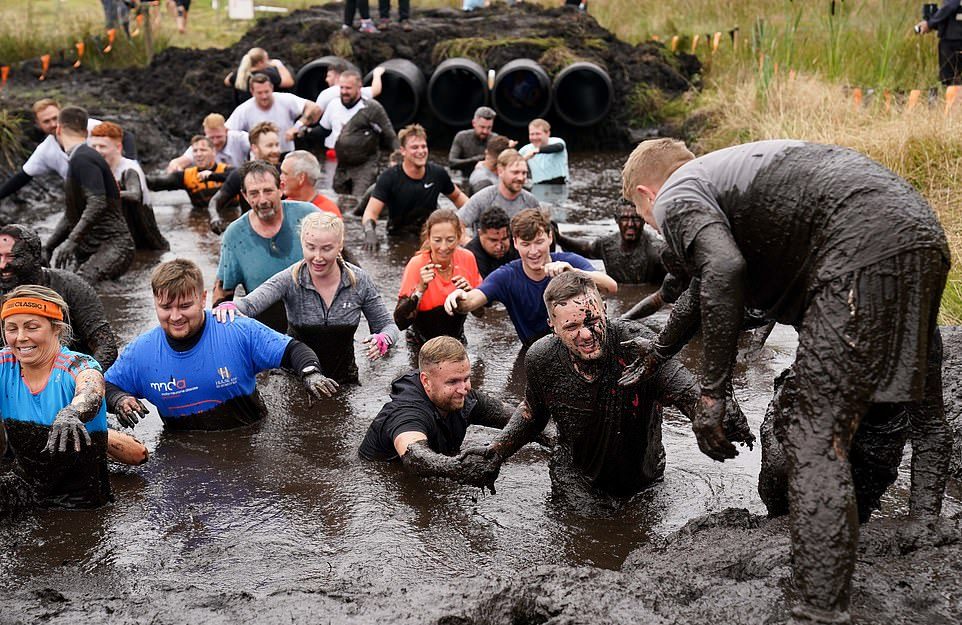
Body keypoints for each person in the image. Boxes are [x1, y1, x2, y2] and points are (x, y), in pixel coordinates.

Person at [618, 138, 951, 625]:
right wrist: (660, 354)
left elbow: (722, 272)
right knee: (925, 408)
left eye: (645, 217)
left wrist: (711, 393)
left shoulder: (677, 192)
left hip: (858, 246)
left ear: (647, 194)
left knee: (814, 436)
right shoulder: (727, 182)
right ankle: (924, 528)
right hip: (919, 235)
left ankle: (819, 609)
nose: (657, 229)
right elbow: (699, 293)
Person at [456, 272, 752, 503]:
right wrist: (497, 451)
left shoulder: (638, 347)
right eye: (571, 327)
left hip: (643, 481)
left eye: (593, 321)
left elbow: (687, 392)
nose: (586, 335)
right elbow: (533, 413)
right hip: (575, 479)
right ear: (552, 326)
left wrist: (717, 413)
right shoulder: (541, 357)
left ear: (605, 310)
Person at [103, 259, 338, 432]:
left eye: (185, 306)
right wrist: (119, 400)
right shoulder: (141, 353)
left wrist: (311, 374)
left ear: (202, 298)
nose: (175, 317)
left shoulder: (235, 330)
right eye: (166, 308)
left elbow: (293, 350)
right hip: (183, 450)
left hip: (248, 439)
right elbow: (104, 387)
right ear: (155, 302)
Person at [213, 212, 397, 385]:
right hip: (295, 378)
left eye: (326, 249)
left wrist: (384, 338)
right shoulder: (290, 278)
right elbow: (250, 304)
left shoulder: (359, 281)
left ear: (340, 245)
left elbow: (388, 326)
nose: (317, 257)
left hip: (344, 379)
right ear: (302, 244)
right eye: (311, 247)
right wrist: (228, 306)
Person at [0, 286, 111, 515]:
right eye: (12, 328)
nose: (21, 338)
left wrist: (72, 412)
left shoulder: (77, 364)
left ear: (56, 329)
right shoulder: (4, 364)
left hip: (81, 505)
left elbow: (91, 388)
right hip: (25, 491)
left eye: (32, 327)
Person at [445, 208, 616, 346]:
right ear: (515, 243)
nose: (533, 251)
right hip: (535, 350)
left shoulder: (569, 261)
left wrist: (575, 273)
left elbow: (611, 287)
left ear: (550, 237)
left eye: (539, 242)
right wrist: (458, 296)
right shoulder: (506, 276)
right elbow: (471, 301)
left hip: (579, 343)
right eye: (526, 244)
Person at [357, 336, 511, 489]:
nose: (464, 389)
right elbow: (416, 458)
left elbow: (520, 418)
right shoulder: (406, 413)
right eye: (453, 381)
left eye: (466, 378)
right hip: (382, 484)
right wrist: (463, 467)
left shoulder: (462, 396)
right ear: (426, 381)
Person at [214, 160, 320, 332]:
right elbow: (223, 292)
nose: (262, 200)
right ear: (245, 195)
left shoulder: (309, 215)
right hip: (266, 328)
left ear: (281, 188)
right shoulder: (234, 235)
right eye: (254, 193)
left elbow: (342, 261)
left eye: (268, 191)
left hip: (314, 322)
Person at [0, 224, 119, 369]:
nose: (2, 265)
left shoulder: (72, 287)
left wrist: (84, 379)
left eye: (12, 256)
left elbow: (106, 346)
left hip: (71, 373)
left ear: (36, 256)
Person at [45, 106, 135, 284]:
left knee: (81, 286)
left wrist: (70, 242)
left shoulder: (83, 158)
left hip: (113, 244)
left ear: (59, 129)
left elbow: (97, 203)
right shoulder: (80, 157)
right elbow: (71, 213)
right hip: (96, 246)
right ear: (86, 132)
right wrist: (50, 246)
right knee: (74, 288)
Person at [0, 99, 135, 202]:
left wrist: (130, 166)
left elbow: (127, 136)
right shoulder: (45, 151)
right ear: (38, 124)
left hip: (118, 188)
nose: (53, 124)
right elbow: (22, 177)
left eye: (55, 118)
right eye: (46, 121)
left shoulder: (90, 127)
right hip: (86, 198)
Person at [362, 125, 468, 247]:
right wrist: (370, 233)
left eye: (424, 146)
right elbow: (371, 212)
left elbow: (457, 196)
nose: (421, 151)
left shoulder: (438, 173)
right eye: (414, 147)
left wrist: (472, 216)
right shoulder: (389, 177)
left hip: (429, 236)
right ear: (403, 150)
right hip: (398, 237)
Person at [395, 209, 482, 351]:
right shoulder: (417, 264)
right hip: (421, 343)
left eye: (450, 240)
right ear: (428, 238)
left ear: (459, 236)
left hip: (456, 341)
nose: (443, 247)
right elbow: (401, 322)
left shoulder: (467, 258)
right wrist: (420, 289)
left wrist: (470, 294)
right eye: (437, 240)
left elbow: (480, 313)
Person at [315, 69, 398, 197]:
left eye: (348, 88)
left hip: (365, 164)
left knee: (359, 199)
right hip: (342, 164)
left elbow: (390, 135)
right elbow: (323, 131)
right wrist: (303, 132)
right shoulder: (333, 104)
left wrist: (398, 157)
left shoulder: (372, 108)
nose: (344, 92)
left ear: (359, 88)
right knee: (340, 199)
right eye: (341, 88)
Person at [88, 122, 169, 251]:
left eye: (102, 147)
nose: (97, 151)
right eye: (94, 147)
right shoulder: (96, 169)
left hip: (143, 238)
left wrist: (106, 193)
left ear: (118, 147)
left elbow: (134, 195)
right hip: (116, 235)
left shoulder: (130, 169)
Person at [554, 204, 666, 284]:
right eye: (625, 219)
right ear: (616, 220)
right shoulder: (606, 244)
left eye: (636, 218)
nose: (630, 224)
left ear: (644, 219)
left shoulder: (657, 250)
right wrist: (560, 239)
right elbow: (585, 249)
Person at [207, 122, 282, 232]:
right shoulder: (240, 174)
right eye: (270, 146)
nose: (276, 150)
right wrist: (215, 218)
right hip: (250, 232)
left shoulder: (285, 172)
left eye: (277, 145)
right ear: (254, 148)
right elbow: (215, 202)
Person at [225, 73, 321, 154]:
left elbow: (315, 108)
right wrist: (247, 142)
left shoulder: (285, 99)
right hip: (260, 158)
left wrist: (297, 126)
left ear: (272, 88)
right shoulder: (244, 109)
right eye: (259, 93)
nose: (264, 96)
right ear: (252, 92)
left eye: (267, 92)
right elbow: (227, 131)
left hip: (285, 153)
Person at [458, 148, 540, 230]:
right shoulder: (483, 198)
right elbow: (456, 224)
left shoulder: (531, 201)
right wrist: (468, 241)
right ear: (500, 171)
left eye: (524, 173)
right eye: (515, 172)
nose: (521, 178)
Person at [149, 136, 234, 211]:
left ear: (213, 152)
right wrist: (140, 177)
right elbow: (158, 183)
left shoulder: (226, 170)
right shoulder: (187, 175)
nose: (199, 154)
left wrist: (212, 176)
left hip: (230, 212)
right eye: (195, 151)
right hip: (200, 215)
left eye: (203, 150)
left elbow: (239, 175)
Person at [166, 113, 251, 172]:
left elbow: (260, 147)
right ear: (205, 134)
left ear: (226, 131)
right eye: (211, 138)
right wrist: (175, 166)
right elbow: (181, 161)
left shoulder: (240, 138)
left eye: (219, 137)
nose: (215, 142)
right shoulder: (202, 144)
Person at [280, 150, 341, 217]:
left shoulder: (327, 213)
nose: (280, 177)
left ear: (301, 178)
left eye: (285, 174)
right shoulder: (283, 206)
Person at [464, 206, 519, 278]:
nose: (499, 246)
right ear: (480, 233)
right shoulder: (470, 256)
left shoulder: (518, 244)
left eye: (504, 239)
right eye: (493, 240)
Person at [915, 1, 962, 85]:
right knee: (952, 79)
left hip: (953, 40)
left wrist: (929, 24)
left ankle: (952, 95)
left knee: (949, 79)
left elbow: (950, 6)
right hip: (953, 37)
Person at [224, 47, 295, 102]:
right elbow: (289, 82)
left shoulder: (239, 75)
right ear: (260, 62)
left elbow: (227, 81)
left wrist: (242, 69)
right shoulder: (267, 75)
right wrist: (279, 65)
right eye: (267, 60)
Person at [447, 106, 501, 178]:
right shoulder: (462, 137)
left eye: (489, 128)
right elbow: (451, 162)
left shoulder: (495, 140)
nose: (485, 131)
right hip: (464, 176)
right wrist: (476, 159)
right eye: (482, 127)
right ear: (474, 123)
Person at [314, 62, 383, 115]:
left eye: (329, 76)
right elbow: (376, 90)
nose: (326, 79)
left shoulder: (326, 94)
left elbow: (315, 113)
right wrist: (377, 74)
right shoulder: (356, 91)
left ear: (337, 76)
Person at [519, 118, 568, 185]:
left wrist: (537, 151)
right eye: (532, 134)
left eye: (538, 134)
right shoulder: (525, 149)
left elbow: (559, 147)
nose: (535, 137)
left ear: (548, 133)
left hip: (559, 186)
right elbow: (511, 161)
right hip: (538, 186)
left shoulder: (557, 141)